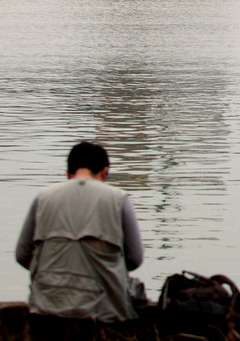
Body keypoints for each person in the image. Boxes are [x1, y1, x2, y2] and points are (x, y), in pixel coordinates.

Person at [16, 141, 144, 336]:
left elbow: (22, 255)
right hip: (103, 315)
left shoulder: (42, 198)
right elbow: (135, 258)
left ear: (68, 174)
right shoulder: (119, 199)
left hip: (46, 312)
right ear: (104, 172)